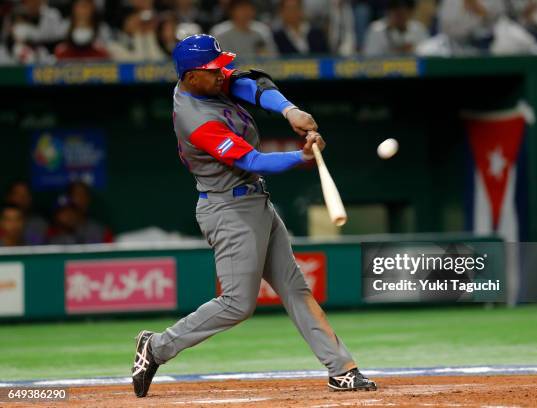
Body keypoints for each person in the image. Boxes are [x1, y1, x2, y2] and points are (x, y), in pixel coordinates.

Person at [131, 34, 377, 398]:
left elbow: (253, 83)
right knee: (237, 304)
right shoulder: (195, 118)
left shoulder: (207, 82)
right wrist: (302, 158)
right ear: (190, 77)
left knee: (295, 289)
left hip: (255, 202)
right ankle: (156, 347)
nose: (222, 74)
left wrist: (289, 110)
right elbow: (252, 160)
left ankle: (342, 369)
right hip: (227, 210)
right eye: (213, 71)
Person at [210, 0, 278, 58]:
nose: (246, 12)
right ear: (232, 11)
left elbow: (272, 58)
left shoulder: (262, 31)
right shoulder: (219, 32)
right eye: (241, 8)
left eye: (249, 7)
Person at [363, 0, 430, 56]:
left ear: (411, 13)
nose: (400, 17)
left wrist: (413, 50)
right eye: (397, 13)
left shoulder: (419, 29)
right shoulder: (377, 29)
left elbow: (427, 54)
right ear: (389, 12)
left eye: (403, 13)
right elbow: (370, 59)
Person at [4, 180, 47, 245]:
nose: (22, 197)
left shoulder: (37, 224)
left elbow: (36, 247)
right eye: (17, 194)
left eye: (25, 194)